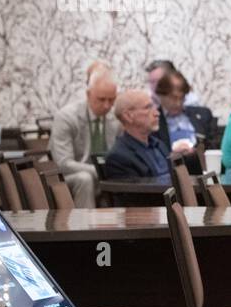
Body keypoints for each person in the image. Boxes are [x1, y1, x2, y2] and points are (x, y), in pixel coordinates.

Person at [50, 66, 119, 207]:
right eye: (101, 99)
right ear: (88, 95)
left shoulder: (115, 118)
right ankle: (85, 227)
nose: (107, 106)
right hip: (64, 177)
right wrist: (97, 171)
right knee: (84, 178)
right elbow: (63, 163)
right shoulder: (66, 117)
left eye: (112, 100)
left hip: (100, 178)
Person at [103, 90, 171, 184]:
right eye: (148, 107)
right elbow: (138, 196)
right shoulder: (119, 158)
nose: (157, 113)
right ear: (128, 116)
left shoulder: (159, 145)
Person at [154, 70, 214, 150]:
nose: (178, 103)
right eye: (173, 98)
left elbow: (213, 147)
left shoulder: (203, 115)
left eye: (182, 98)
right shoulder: (153, 119)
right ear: (161, 96)